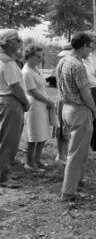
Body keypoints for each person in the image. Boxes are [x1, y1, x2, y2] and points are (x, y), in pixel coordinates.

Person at [56, 31, 96, 201]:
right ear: (84, 46)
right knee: (76, 153)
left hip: (67, 108)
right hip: (79, 110)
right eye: (90, 47)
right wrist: (94, 110)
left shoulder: (63, 61)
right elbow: (86, 94)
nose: (91, 51)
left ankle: (77, 181)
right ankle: (68, 191)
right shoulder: (78, 66)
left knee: (79, 150)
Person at [0, 29, 30, 188]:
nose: (19, 42)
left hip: (3, 100)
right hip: (11, 102)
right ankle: (3, 176)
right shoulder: (9, 63)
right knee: (9, 140)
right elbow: (15, 88)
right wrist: (26, 102)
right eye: (16, 40)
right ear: (7, 42)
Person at [22, 44, 55, 172]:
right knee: (34, 136)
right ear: (29, 56)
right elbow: (33, 92)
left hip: (42, 105)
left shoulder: (36, 69)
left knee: (42, 134)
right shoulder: (26, 72)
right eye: (37, 56)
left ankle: (37, 160)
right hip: (34, 106)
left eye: (41, 56)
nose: (40, 59)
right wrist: (49, 101)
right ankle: (30, 163)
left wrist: (47, 101)